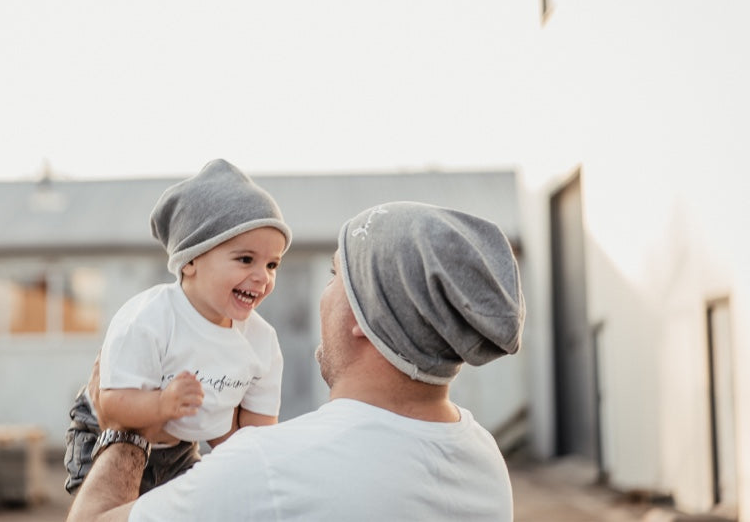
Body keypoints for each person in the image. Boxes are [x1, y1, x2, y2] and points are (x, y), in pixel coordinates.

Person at [66, 201, 526, 521]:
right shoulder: (483, 460)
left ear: (366, 319)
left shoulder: (269, 468)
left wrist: (130, 426)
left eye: (334, 276)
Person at [64, 159, 292, 495]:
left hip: (180, 449)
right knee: (110, 511)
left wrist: (258, 472)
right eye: (246, 259)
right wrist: (162, 405)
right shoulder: (148, 321)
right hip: (105, 435)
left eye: (272, 264)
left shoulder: (260, 342)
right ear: (191, 262)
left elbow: (253, 437)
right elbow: (112, 404)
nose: (263, 276)